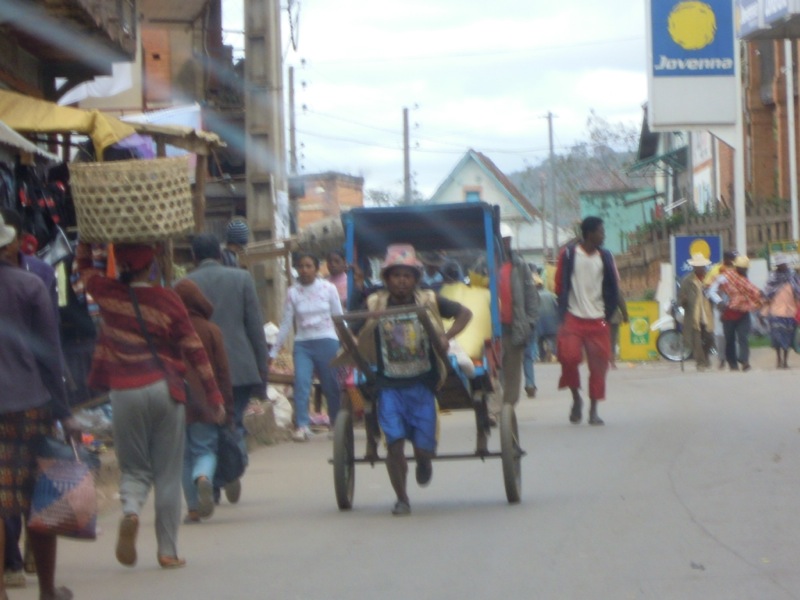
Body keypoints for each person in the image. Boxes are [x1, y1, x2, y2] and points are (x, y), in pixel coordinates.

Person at [76, 241, 223, 569]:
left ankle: (130, 510)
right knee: (168, 474)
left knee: (134, 468)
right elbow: (195, 349)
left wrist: (87, 243)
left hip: (124, 392)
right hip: (164, 389)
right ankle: (167, 551)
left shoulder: (107, 294)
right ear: (150, 266)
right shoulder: (168, 299)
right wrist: (213, 397)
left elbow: (83, 271)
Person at [343, 244, 471, 515]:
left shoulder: (429, 300)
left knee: (424, 450)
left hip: (423, 383)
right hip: (388, 386)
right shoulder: (374, 303)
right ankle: (402, 498)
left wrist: (446, 338)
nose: (402, 280)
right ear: (387, 278)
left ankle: (424, 461)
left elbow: (465, 314)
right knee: (395, 444)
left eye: (407, 275)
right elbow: (353, 331)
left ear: (416, 278)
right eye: (396, 275)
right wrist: (353, 341)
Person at [0, 213, 80, 600]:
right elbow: (50, 356)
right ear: (9, 245)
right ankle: (47, 590)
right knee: (39, 499)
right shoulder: (30, 286)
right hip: (28, 406)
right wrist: (64, 412)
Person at [185, 233, 269, 501]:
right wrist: (261, 375)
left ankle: (213, 481)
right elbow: (255, 328)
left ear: (194, 257)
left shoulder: (182, 284)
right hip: (239, 367)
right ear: (220, 255)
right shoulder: (242, 279)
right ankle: (232, 471)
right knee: (233, 423)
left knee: (206, 428)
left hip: (197, 371)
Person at [555, 216, 627, 425]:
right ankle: (576, 398)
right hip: (573, 317)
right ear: (589, 234)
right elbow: (559, 284)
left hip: (598, 319)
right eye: (600, 232)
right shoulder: (568, 255)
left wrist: (608, 312)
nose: (603, 235)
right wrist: (562, 310)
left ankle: (594, 410)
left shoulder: (606, 257)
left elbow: (614, 286)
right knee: (568, 358)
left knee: (599, 366)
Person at [173, 279, 232, 524]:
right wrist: (225, 404)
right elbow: (222, 371)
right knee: (205, 449)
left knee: (183, 456)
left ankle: (194, 509)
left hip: (176, 402)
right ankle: (204, 478)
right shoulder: (211, 330)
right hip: (207, 400)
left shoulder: (167, 330)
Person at [268, 253, 343, 441]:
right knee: (301, 383)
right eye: (301, 266)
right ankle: (302, 426)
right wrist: (274, 351)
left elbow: (339, 317)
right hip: (303, 344)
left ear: (317, 269)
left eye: (309, 266)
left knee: (331, 385)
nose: (305, 270)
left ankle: (336, 423)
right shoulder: (293, 292)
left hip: (327, 340)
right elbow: (286, 323)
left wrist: (348, 342)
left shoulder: (329, 289)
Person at [498, 224, 539, 408]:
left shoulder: (520, 266)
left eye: (508, 241)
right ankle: (496, 407)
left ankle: (508, 408)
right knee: (495, 372)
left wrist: (529, 322)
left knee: (513, 372)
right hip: (492, 330)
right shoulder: (484, 264)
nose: (505, 244)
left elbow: (531, 295)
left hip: (514, 327)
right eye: (502, 241)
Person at [707, 255, 762, 371]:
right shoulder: (725, 277)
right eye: (743, 268)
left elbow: (753, 292)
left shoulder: (744, 280)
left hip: (743, 312)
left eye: (746, 268)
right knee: (730, 339)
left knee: (743, 337)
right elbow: (711, 290)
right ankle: (732, 363)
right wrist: (719, 301)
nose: (745, 270)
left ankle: (744, 361)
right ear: (737, 267)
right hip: (729, 313)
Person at [762, 253, 800, 369]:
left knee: (788, 338)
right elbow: (767, 298)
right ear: (777, 266)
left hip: (790, 313)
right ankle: (779, 359)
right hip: (775, 312)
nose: (784, 266)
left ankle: (785, 361)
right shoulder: (772, 280)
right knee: (777, 338)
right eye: (781, 265)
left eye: (784, 264)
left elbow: (797, 296)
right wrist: (763, 313)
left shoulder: (793, 279)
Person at [678, 253, 714, 371]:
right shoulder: (687, 281)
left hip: (707, 313)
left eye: (701, 266)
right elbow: (680, 299)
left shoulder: (709, 279)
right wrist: (683, 300)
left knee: (709, 338)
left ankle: (706, 357)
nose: (699, 268)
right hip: (694, 315)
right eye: (697, 266)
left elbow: (715, 295)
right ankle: (701, 362)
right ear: (693, 267)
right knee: (696, 341)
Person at [706, 250, 739, 369]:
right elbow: (709, 287)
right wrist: (719, 301)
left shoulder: (738, 269)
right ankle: (721, 359)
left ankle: (733, 359)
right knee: (720, 334)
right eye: (732, 258)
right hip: (720, 306)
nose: (734, 261)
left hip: (735, 306)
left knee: (733, 334)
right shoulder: (716, 270)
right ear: (726, 258)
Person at [522, 267, 542, 397]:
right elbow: (536, 306)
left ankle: (505, 387)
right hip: (530, 324)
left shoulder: (511, 286)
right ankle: (530, 383)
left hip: (515, 324)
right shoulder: (532, 289)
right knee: (528, 356)